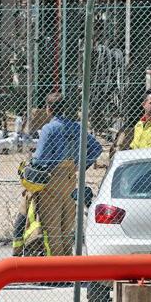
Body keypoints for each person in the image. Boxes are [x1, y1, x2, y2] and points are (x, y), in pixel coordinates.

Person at [13, 93, 102, 256]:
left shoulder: (49, 129)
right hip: (70, 179)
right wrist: (80, 166)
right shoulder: (77, 127)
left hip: (51, 179)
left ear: (48, 109)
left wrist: (30, 166)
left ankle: (55, 268)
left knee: (51, 225)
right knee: (66, 224)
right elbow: (97, 148)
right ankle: (67, 265)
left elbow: (40, 159)